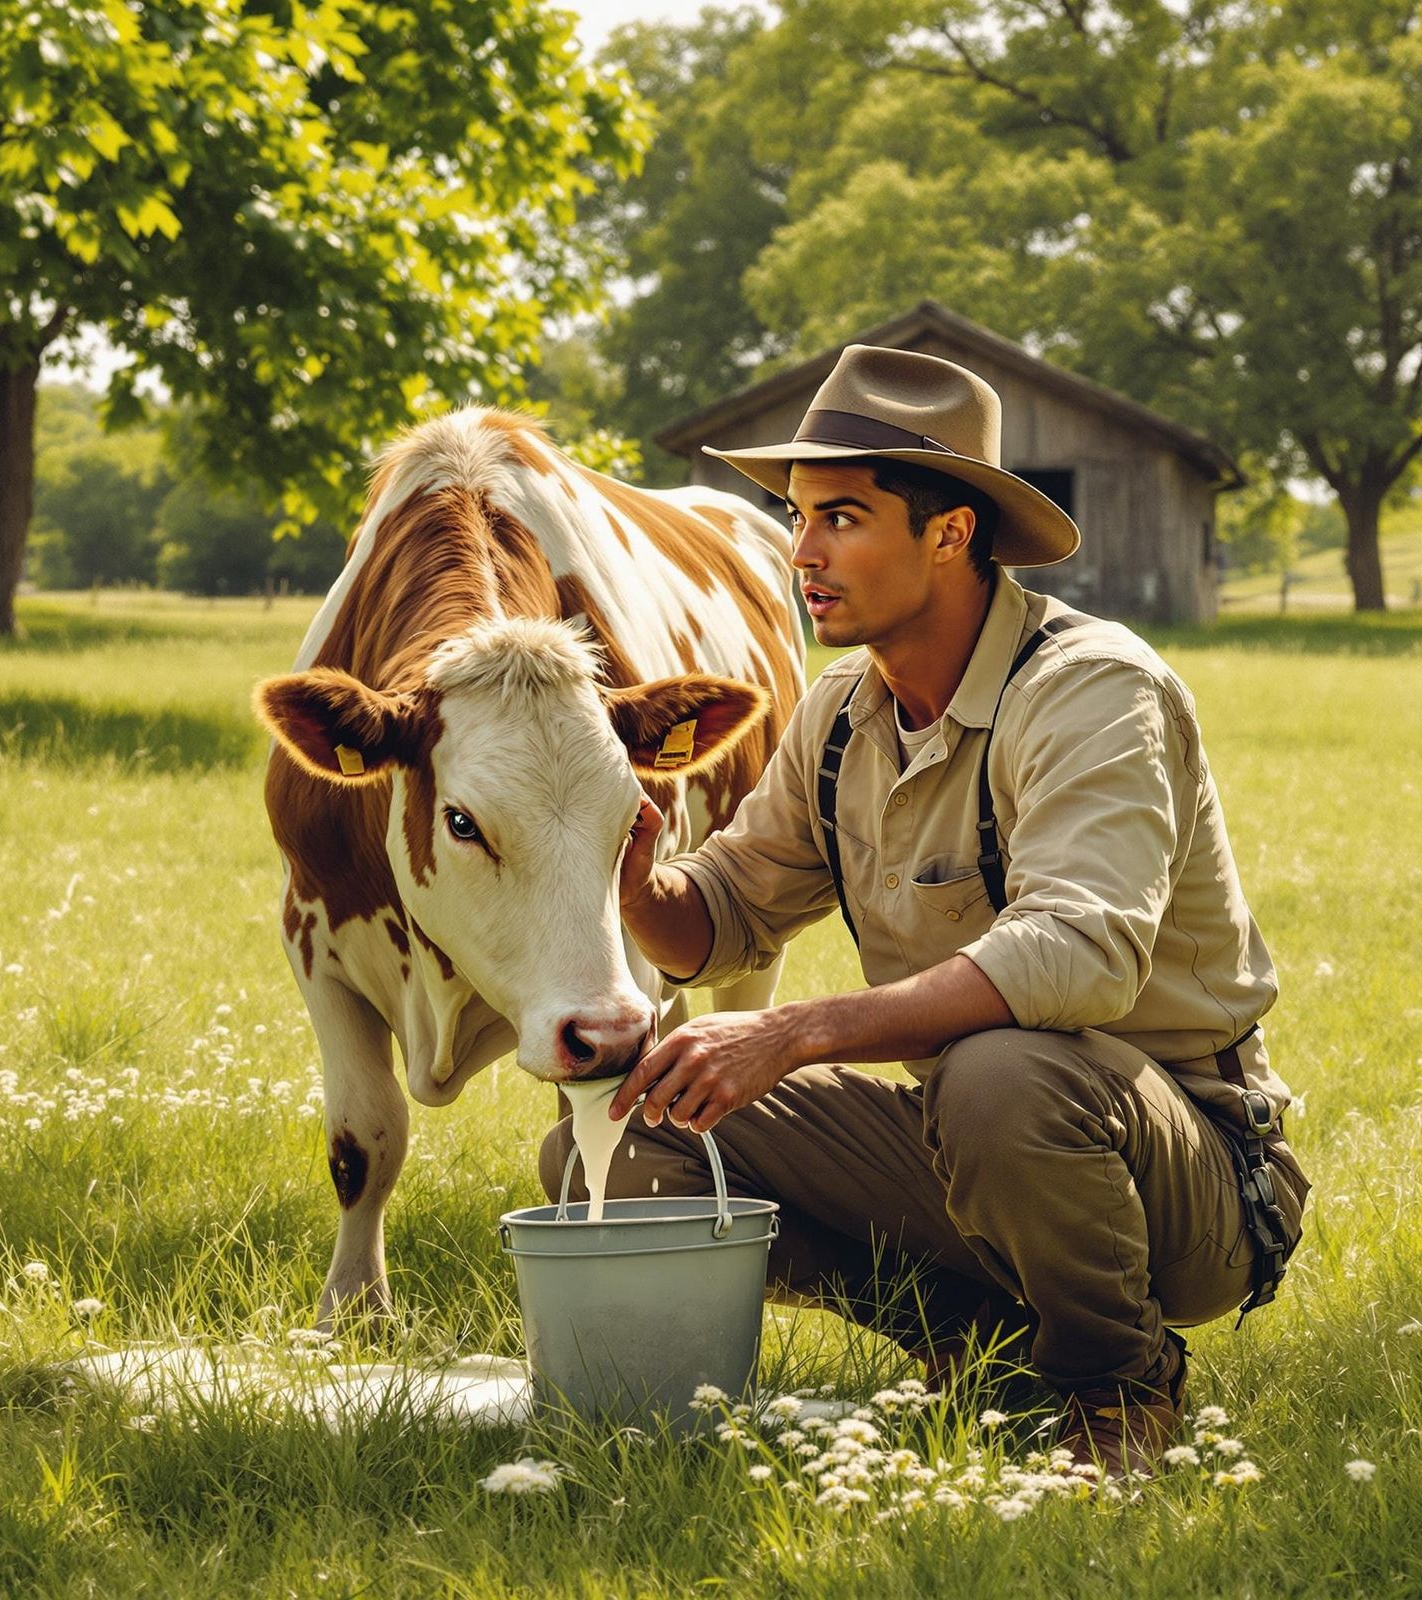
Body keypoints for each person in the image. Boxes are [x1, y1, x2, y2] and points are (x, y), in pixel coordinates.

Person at [539, 345, 1309, 1477]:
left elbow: (1079, 957)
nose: (802, 552)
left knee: (998, 1069)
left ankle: (1116, 1387)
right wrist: (636, 880)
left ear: (949, 532)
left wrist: (793, 1031)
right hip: (980, 1145)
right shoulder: (843, 710)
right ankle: (974, 1343)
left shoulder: (1093, 688)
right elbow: (727, 913)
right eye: (796, 517)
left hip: (1185, 1172)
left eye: (841, 517)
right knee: (616, 1138)